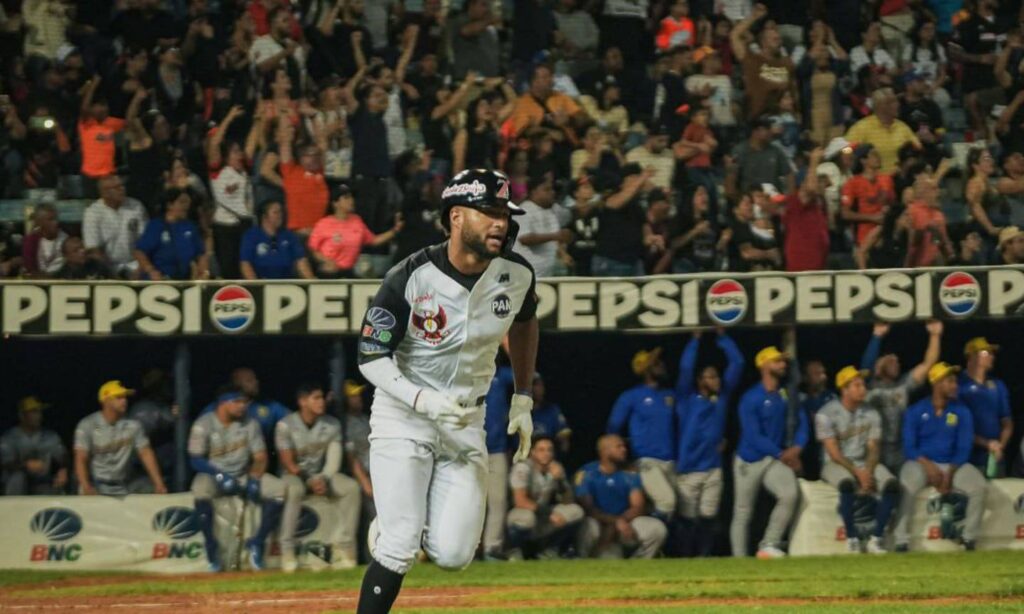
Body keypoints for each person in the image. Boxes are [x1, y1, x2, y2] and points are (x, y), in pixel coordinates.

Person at [354, 169, 537, 614]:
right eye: (489, 212)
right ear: (456, 216)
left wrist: (523, 396)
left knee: (454, 555)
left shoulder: (517, 273)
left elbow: (525, 323)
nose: (501, 223)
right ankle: (394, 527)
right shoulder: (409, 276)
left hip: (466, 419)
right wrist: (422, 399)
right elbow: (370, 356)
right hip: (405, 413)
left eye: (505, 214)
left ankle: (397, 519)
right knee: (399, 545)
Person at [189, 385, 286, 572]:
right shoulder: (204, 424)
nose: (243, 406)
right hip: (213, 474)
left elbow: (260, 457)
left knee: (278, 489)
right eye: (237, 402)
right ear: (223, 403)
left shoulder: (250, 423)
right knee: (200, 489)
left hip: (242, 474)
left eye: (244, 402)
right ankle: (211, 546)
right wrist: (219, 475)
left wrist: (255, 478)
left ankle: (257, 542)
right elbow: (195, 459)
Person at [893, 363, 987, 552]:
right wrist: (928, 465)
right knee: (907, 485)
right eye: (950, 381)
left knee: (979, 486)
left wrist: (950, 471)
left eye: (955, 381)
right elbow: (909, 446)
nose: (955, 386)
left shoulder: (961, 411)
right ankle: (900, 539)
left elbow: (964, 447)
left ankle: (968, 538)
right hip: (920, 462)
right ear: (936, 383)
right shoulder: (916, 410)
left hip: (953, 464)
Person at [275, 382, 362, 572]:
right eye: (316, 398)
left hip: (322, 476)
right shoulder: (285, 425)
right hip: (294, 476)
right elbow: (288, 462)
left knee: (351, 488)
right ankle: (287, 550)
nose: (321, 402)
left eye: (322, 397)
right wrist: (309, 480)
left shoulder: (332, 424)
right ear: (302, 401)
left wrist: (323, 478)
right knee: (294, 489)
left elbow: (333, 460)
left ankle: (345, 548)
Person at [731, 346, 808, 559]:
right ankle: (738, 559)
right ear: (763, 365)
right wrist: (782, 454)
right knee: (743, 512)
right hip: (750, 460)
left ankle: (769, 544)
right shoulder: (750, 397)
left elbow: (802, 422)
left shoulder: (786, 394)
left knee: (789, 494)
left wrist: (797, 448)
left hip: (774, 458)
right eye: (777, 361)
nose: (782, 365)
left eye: (783, 361)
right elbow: (753, 435)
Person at [815, 366, 900, 555]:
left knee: (891, 484)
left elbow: (873, 447)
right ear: (844, 389)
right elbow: (834, 453)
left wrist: (868, 472)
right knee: (847, 484)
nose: (863, 389)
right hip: (835, 463)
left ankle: (876, 538)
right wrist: (858, 474)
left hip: (863, 461)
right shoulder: (825, 413)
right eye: (857, 385)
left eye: (863, 385)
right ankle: (852, 538)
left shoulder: (871, 412)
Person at [674, 330, 743, 557]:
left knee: (708, 516)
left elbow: (738, 363)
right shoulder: (686, 399)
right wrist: (694, 341)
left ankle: (703, 559)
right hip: (689, 469)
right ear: (700, 380)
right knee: (688, 519)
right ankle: (685, 559)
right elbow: (685, 368)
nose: (717, 380)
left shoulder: (720, 399)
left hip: (713, 467)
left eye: (717, 376)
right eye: (711, 377)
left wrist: (723, 338)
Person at [861, 321, 944, 473]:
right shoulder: (868, 386)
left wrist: (935, 335)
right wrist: (876, 336)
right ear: (879, 365)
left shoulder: (903, 385)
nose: (896, 364)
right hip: (876, 446)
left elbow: (928, 364)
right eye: (891, 361)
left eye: (897, 362)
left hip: (900, 447)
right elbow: (866, 366)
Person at [606, 348, 678, 521]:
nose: (661, 365)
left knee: (674, 509)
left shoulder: (670, 394)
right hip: (646, 460)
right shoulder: (631, 396)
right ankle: (639, 530)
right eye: (656, 363)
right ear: (646, 369)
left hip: (672, 461)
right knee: (667, 502)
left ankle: (652, 533)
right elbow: (613, 428)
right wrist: (623, 461)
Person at [575, 435, 668, 559]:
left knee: (657, 528)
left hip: (625, 524)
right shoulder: (586, 473)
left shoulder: (630, 474)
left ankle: (639, 564)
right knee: (589, 525)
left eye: (624, 446)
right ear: (605, 451)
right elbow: (588, 508)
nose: (624, 449)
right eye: (618, 447)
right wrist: (614, 521)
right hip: (600, 526)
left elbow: (638, 506)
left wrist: (620, 521)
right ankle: (582, 560)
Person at [73, 380, 167, 496]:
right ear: (106, 401)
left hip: (126, 483)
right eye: (119, 397)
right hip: (97, 483)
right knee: (83, 493)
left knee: (149, 488)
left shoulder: (133, 425)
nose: (124, 401)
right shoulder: (88, 425)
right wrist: (86, 486)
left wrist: (159, 483)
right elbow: (81, 458)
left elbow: (145, 453)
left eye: (125, 397)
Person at [506, 436, 584, 559]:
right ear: (532, 452)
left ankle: (548, 550)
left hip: (542, 516)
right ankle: (516, 550)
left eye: (549, 450)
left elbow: (568, 500)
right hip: (520, 514)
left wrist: (560, 481)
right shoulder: (523, 467)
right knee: (527, 518)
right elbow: (520, 501)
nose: (546, 453)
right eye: (541, 450)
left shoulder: (555, 467)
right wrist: (549, 514)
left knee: (576, 511)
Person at [308, 185, 403, 278]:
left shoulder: (356, 221)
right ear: (335, 203)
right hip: (330, 273)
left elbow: (374, 240)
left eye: (351, 197)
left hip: (351, 271)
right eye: (346, 198)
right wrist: (326, 261)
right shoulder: (324, 224)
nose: (351, 200)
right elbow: (312, 249)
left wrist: (395, 230)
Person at [958, 338, 1012, 476]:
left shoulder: (998, 385)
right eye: (986, 353)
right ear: (971, 357)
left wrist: (1000, 446)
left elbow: (1007, 422)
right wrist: (987, 443)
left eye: (992, 353)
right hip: (968, 461)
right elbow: (956, 427)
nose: (991, 357)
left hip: (994, 459)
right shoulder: (958, 386)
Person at [134, 188, 209, 280]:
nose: (186, 206)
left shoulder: (190, 227)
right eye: (182, 202)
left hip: (183, 281)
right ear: (169, 205)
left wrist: (203, 271)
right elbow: (139, 252)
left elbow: (201, 253)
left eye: (187, 202)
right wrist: (151, 271)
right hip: (159, 281)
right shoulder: (156, 226)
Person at [82, 175, 148, 278]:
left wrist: (141, 268)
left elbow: (145, 241)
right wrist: (110, 274)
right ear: (104, 192)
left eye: (122, 186)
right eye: (117, 187)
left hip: (135, 263)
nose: (122, 189)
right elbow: (93, 249)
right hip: (107, 266)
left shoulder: (136, 206)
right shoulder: (92, 212)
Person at [481, 357, 515, 560]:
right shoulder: (466, 368)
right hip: (467, 448)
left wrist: (510, 348)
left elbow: (529, 375)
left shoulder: (501, 375)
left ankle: (492, 548)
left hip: (496, 449)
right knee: (468, 502)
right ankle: (465, 548)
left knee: (498, 501)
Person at [1, 396, 68, 495]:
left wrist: (63, 470)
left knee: (59, 481)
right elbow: (5, 463)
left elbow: (62, 457)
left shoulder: (50, 436)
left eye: (39, 412)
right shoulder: (10, 437)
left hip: (43, 481)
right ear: (22, 415)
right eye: (33, 412)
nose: (38, 416)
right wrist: (25, 465)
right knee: (18, 477)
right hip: (17, 484)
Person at [845, 88, 920, 174]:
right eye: (893, 102)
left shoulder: (902, 127)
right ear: (881, 106)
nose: (898, 105)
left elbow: (917, 147)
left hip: (899, 177)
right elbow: (846, 149)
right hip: (874, 179)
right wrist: (850, 155)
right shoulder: (862, 127)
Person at [240, 201, 316, 280]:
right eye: (275, 212)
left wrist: (312, 281)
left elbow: (301, 260)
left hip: (286, 281)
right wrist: (255, 284)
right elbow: (245, 263)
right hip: (261, 281)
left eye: (281, 212)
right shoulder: (251, 235)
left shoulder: (289, 235)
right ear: (264, 216)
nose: (280, 216)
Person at [513, 176, 568, 278]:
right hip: (527, 274)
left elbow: (554, 240)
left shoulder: (550, 211)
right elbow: (524, 238)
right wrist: (555, 236)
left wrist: (563, 254)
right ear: (534, 192)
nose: (552, 192)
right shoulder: (524, 211)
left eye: (552, 189)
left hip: (547, 273)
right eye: (547, 189)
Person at [529, 373, 571, 456]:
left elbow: (564, 440)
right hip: (524, 457)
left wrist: (561, 457)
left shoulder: (553, 410)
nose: (539, 389)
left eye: (541, 385)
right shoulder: (517, 411)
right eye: (535, 385)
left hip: (547, 456)